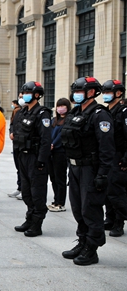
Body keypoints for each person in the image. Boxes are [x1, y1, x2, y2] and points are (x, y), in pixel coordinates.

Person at [60, 76, 114, 266]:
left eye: (79, 91)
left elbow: (107, 148)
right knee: (77, 208)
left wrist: (103, 174)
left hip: (91, 169)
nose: (76, 94)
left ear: (91, 92)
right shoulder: (76, 112)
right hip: (75, 167)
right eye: (75, 91)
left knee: (90, 208)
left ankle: (91, 248)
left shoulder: (100, 115)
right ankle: (82, 241)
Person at [11, 81, 52, 237]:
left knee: (37, 192)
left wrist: (42, 160)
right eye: (23, 93)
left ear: (36, 95)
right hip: (22, 156)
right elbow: (15, 128)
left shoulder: (42, 113)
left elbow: (45, 139)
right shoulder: (22, 112)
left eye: (27, 93)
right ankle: (29, 218)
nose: (24, 96)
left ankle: (37, 223)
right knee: (26, 191)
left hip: (35, 158)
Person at [101, 80, 127, 237]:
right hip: (107, 156)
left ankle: (119, 222)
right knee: (106, 190)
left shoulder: (123, 111)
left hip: (119, 156)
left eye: (108, 92)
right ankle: (109, 218)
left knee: (116, 191)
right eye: (104, 92)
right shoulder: (105, 111)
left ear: (118, 93)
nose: (105, 95)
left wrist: (125, 159)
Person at [47, 98, 71, 212]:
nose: (60, 108)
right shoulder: (54, 120)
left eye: (63, 106)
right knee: (53, 178)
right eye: (59, 106)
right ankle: (56, 200)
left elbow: (62, 135)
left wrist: (54, 144)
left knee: (60, 178)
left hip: (60, 152)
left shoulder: (68, 120)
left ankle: (61, 202)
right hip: (51, 152)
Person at [8, 94, 25, 200]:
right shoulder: (19, 112)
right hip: (16, 144)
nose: (21, 99)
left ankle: (25, 189)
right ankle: (20, 187)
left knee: (24, 169)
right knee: (19, 167)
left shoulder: (34, 113)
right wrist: (11, 132)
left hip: (25, 145)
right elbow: (12, 124)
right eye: (20, 96)